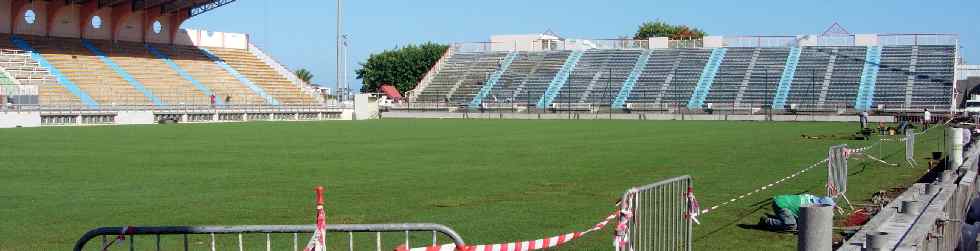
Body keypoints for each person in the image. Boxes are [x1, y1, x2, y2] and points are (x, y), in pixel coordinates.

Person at [759, 194, 835, 232]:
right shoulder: (811, 207)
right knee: (791, 225)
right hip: (781, 205)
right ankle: (766, 221)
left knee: (798, 223)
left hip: (782, 201)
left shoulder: (813, 199)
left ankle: (780, 219)